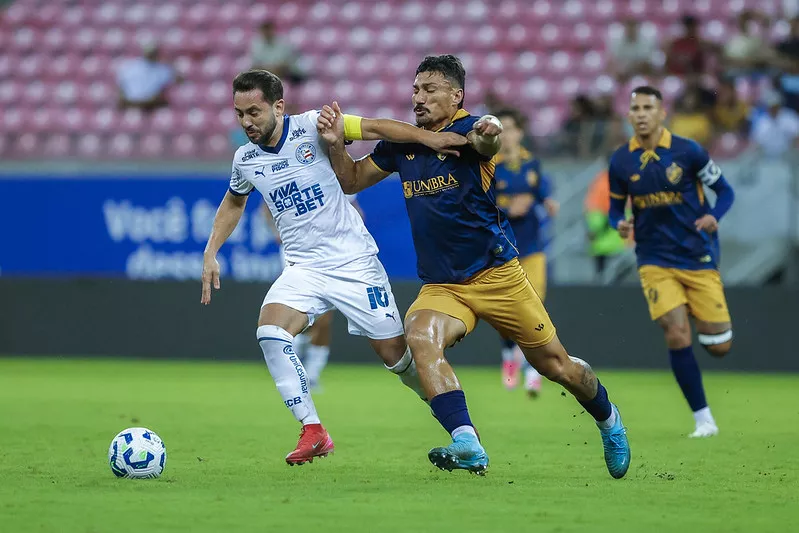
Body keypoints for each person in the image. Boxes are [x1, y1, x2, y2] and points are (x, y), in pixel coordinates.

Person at [317, 55, 630, 479]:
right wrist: (336, 144)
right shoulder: (405, 142)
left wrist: (491, 132)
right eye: (415, 90)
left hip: (497, 275)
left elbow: (487, 144)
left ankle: (609, 420)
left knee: (556, 367)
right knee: (420, 338)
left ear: (456, 95)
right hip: (444, 285)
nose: (419, 97)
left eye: (430, 89)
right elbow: (351, 180)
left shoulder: (469, 129)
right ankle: (467, 440)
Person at [200, 69, 465, 465]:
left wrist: (431, 138)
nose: (246, 122)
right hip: (303, 267)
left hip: (353, 263)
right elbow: (234, 201)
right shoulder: (246, 159)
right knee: (271, 332)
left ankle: (456, 421)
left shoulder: (312, 125)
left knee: (398, 358)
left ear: (278, 106)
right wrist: (211, 250)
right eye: (239, 114)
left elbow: (376, 127)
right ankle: (313, 429)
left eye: (254, 112)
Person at [608, 86, 736, 438]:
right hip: (653, 258)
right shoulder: (620, 160)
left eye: (648, 107)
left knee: (719, 346)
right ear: (629, 115)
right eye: (635, 108)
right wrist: (617, 223)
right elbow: (614, 210)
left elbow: (725, 191)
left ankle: (696, 309)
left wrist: (715, 217)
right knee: (675, 332)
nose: (641, 113)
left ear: (662, 113)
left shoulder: (688, 151)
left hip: (697, 255)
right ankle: (703, 419)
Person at [261, 194, 366, 390]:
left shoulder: (335, 175)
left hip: (330, 254)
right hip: (296, 251)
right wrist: (275, 231)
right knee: (300, 312)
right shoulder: (290, 173)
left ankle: (312, 374)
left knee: (324, 318)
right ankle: (296, 362)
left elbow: (357, 211)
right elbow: (266, 205)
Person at [492, 107, 559, 397]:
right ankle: (509, 358)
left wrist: (548, 203)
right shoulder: (490, 165)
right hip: (505, 250)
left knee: (535, 307)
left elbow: (543, 193)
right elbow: (481, 205)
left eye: (511, 128)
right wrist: (508, 209)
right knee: (509, 311)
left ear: (520, 132)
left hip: (532, 248)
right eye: (502, 129)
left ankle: (533, 370)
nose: (507, 135)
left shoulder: (532, 164)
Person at [116, 43, 179, 111]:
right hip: (130, 105)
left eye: (153, 52)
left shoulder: (162, 69)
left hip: (152, 107)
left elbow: (178, 81)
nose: (150, 54)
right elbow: (121, 89)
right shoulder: (131, 66)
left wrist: (170, 63)